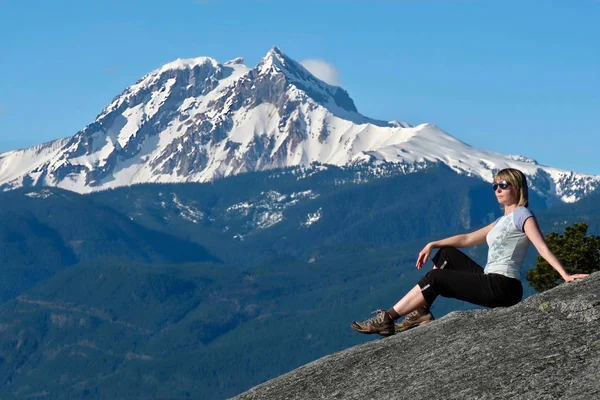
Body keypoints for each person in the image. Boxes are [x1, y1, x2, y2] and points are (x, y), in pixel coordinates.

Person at [351, 168, 590, 337]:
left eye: (503, 185)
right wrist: (433, 244)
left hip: (503, 286)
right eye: (495, 185)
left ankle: (388, 319)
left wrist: (565, 275)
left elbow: (541, 247)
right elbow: (465, 239)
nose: (497, 189)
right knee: (447, 254)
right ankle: (421, 312)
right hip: (491, 279)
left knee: (436, 279)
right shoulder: (501, 221)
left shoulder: (523, 215)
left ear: (517, 188)